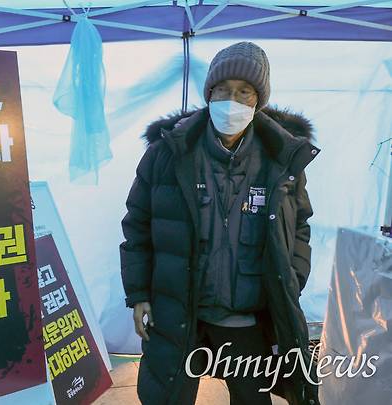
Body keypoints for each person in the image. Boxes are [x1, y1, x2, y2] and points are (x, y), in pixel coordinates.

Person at [119, 41, 321, 405]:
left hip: (247, 318)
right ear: (209, 94)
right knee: (168, 397)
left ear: (259, 100)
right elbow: (138, 225)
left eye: (245, 92)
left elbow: (300, 227)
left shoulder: (281, 160)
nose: (233, 100)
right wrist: (138, 295)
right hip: (179, 311)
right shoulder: (168, 153)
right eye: (223, 89)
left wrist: (291, 280)